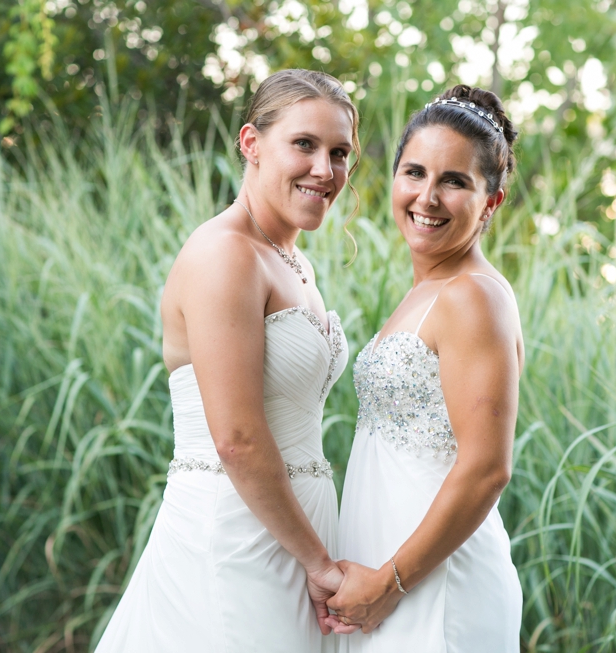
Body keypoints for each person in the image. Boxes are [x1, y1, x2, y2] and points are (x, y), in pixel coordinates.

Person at [95, 69, 360, 653]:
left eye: (340, 153)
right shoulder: (225, 254)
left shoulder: (292, 262)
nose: (326, 169)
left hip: (292, 527)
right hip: (236, 533)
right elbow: (237, 437)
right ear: (250, 143)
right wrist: (317, 562)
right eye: (305, 145)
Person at [328, 85, 525, 652]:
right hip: (393, 572)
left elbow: (487, 467)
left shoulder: (472, 296)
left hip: (435, 586)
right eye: (414, 173)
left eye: (455, 181)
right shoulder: (427, 292)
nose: (428, 197)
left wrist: (390, 582)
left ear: (493, 200)